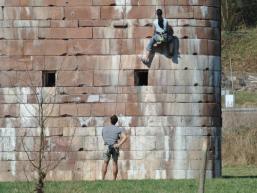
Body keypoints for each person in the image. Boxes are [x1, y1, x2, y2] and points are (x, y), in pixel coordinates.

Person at [102, 115, 128, 180]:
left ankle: (103, 179)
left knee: (105, 163)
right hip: (115, 146)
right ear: (116, 122)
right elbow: (125, 137)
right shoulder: (118, 129)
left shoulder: (104, 128)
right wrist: (119, 144)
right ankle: (114, 179)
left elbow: (104, 137)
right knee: (115, 163)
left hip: (106, 146)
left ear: (110, 120)